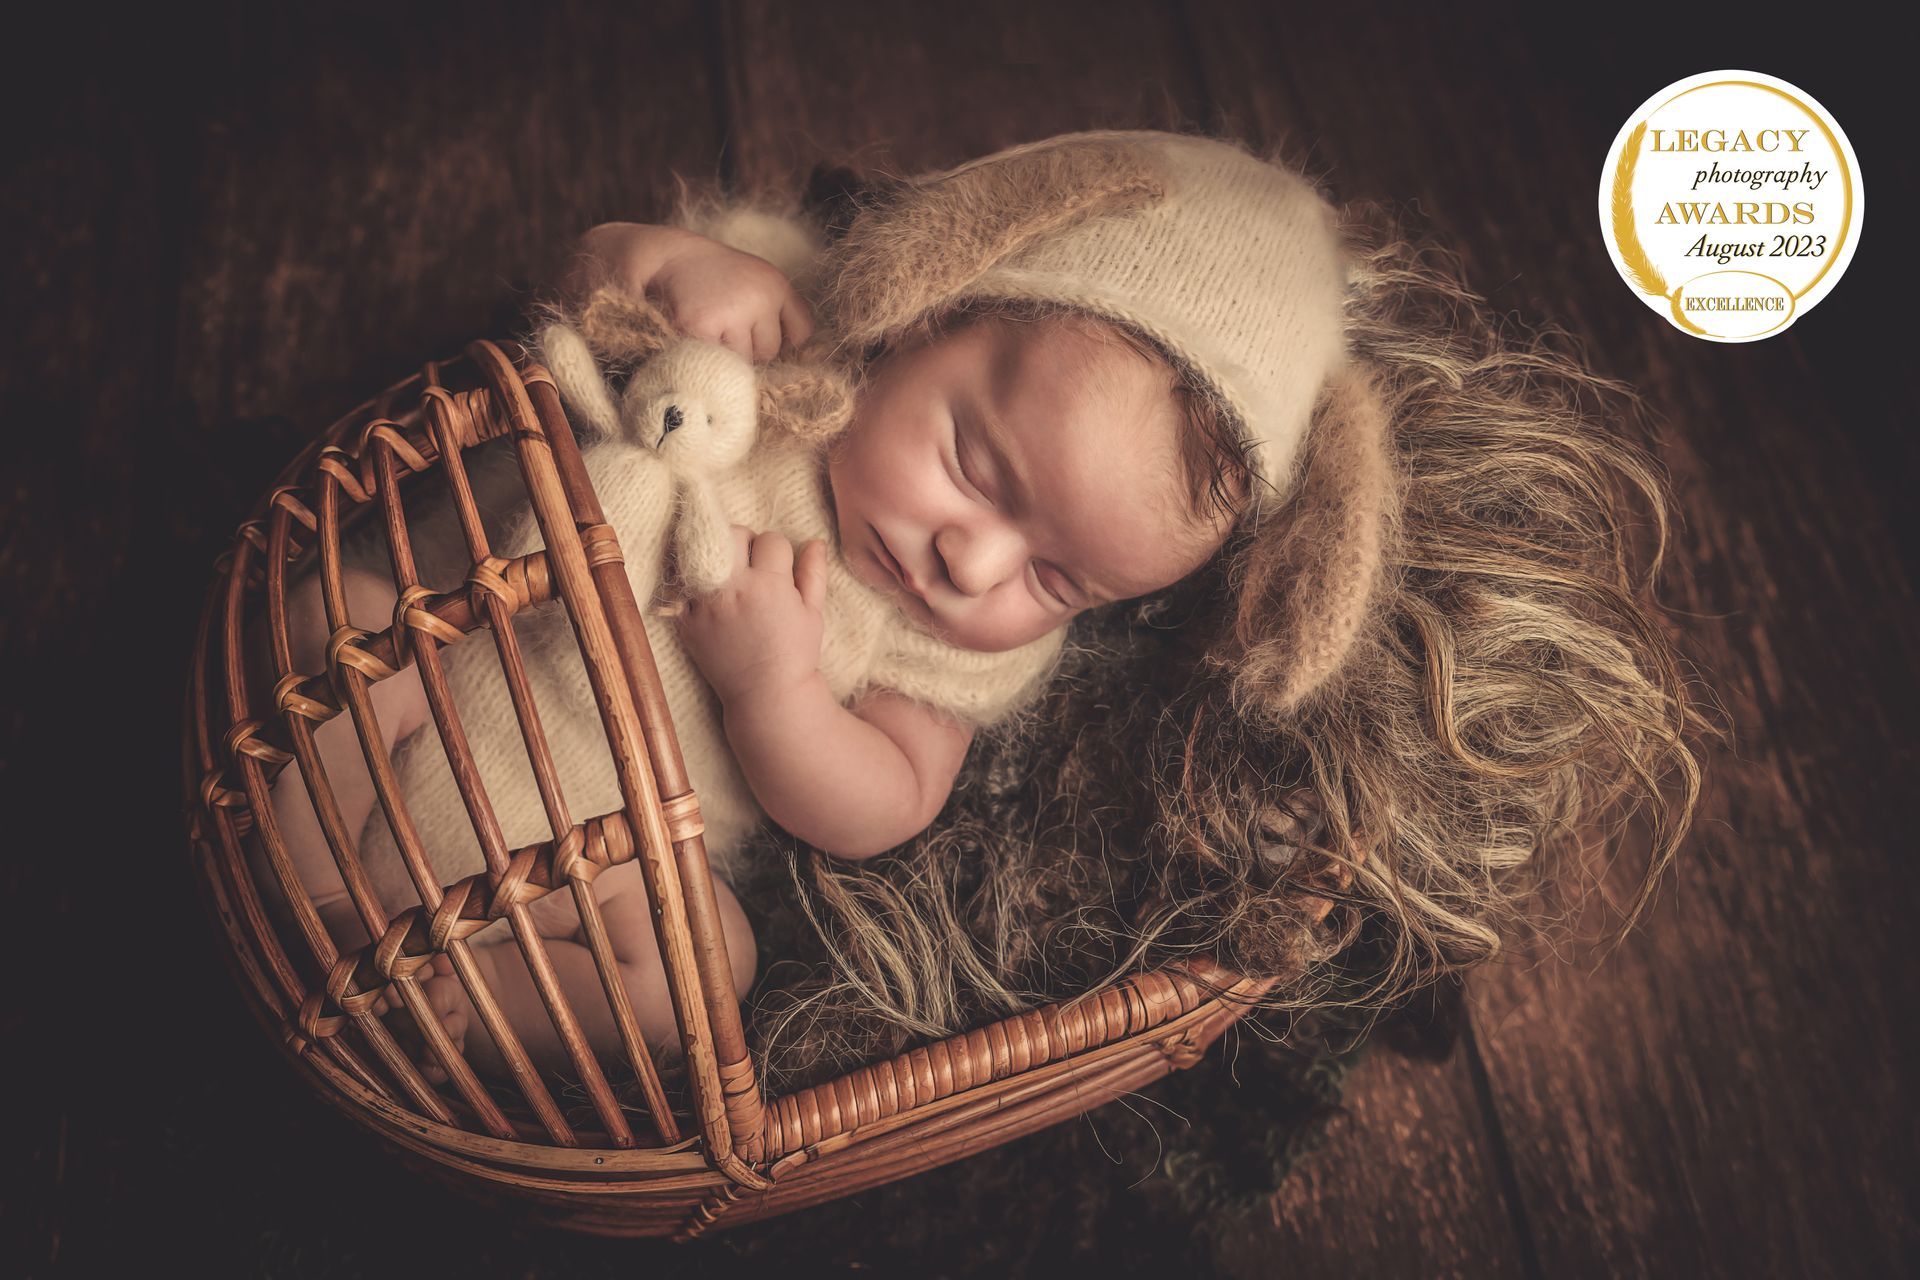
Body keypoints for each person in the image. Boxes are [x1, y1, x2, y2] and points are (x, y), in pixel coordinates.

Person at [260, 130, 1392, 1079]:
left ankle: (476, 1001)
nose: (975, 562)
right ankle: (313, 886)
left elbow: (882, 802)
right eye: (976, 469)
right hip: (451, 656)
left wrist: (778, 690)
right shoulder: (782, 321)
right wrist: (674, 269)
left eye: (1060, 581)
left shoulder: (959, 659)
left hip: (591, 856)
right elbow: (587, 290)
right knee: (341, 614)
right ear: (923, 316)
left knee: (707, 969)